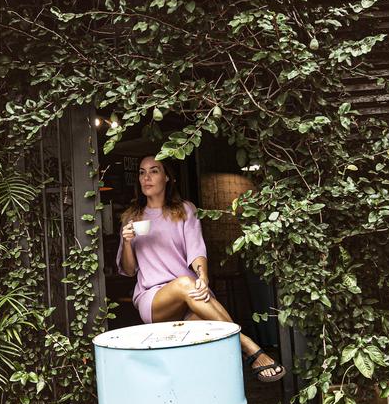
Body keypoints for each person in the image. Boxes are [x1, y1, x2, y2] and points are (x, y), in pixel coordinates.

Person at [116, 155, 286, 382]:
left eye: (154, 171)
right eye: (141, 172)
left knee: (208, 334)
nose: (146, 177)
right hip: (153, 298)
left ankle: (220, 389)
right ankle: (249, 345)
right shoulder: (132, 218)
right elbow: (128, 270)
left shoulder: (185, 210)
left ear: (167, 177)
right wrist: (127, 242)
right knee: (188, 285)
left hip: (192, 296)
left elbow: (196, 249)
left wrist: (203, 277)